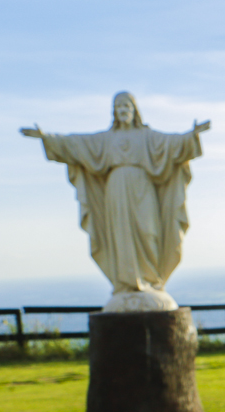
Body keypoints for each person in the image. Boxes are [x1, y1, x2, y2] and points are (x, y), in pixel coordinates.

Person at [21, 92, 210, 311]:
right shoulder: (105, 139)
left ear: (134, 109)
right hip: (116, 192)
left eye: (126, 105)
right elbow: (76, 144)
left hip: (143, 187)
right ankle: (128, 284)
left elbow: (171, 144)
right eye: (118, 106)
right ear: (114, 112)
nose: (122, 109)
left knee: (149, 233)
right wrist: (46, 137)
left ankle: (151, 281)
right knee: (122, 238)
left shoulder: (148, 137)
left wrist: (192, 135)